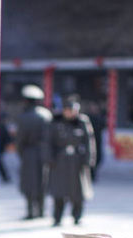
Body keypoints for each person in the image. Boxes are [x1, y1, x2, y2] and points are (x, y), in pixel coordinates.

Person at [46, 95, 95, 227]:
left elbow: (89, 142)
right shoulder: (55, 122)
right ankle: (57, 217)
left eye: (72, 110)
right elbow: (48, 142)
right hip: (60, 161)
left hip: (77, 161)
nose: (69, 113)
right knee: (58, 192)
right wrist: (49, 159)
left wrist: (88, 160)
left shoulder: (82, 122)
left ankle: (77, 216)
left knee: (78, 192)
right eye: (67, 110)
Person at [15, 84, 52, 219]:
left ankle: (31, 211)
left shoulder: (23, 117)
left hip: (29, 152)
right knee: (42, 181)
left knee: (29, 182)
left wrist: (21, 153)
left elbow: (20, 139)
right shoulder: (46, 115)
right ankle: (41, 210)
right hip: (44, 152)